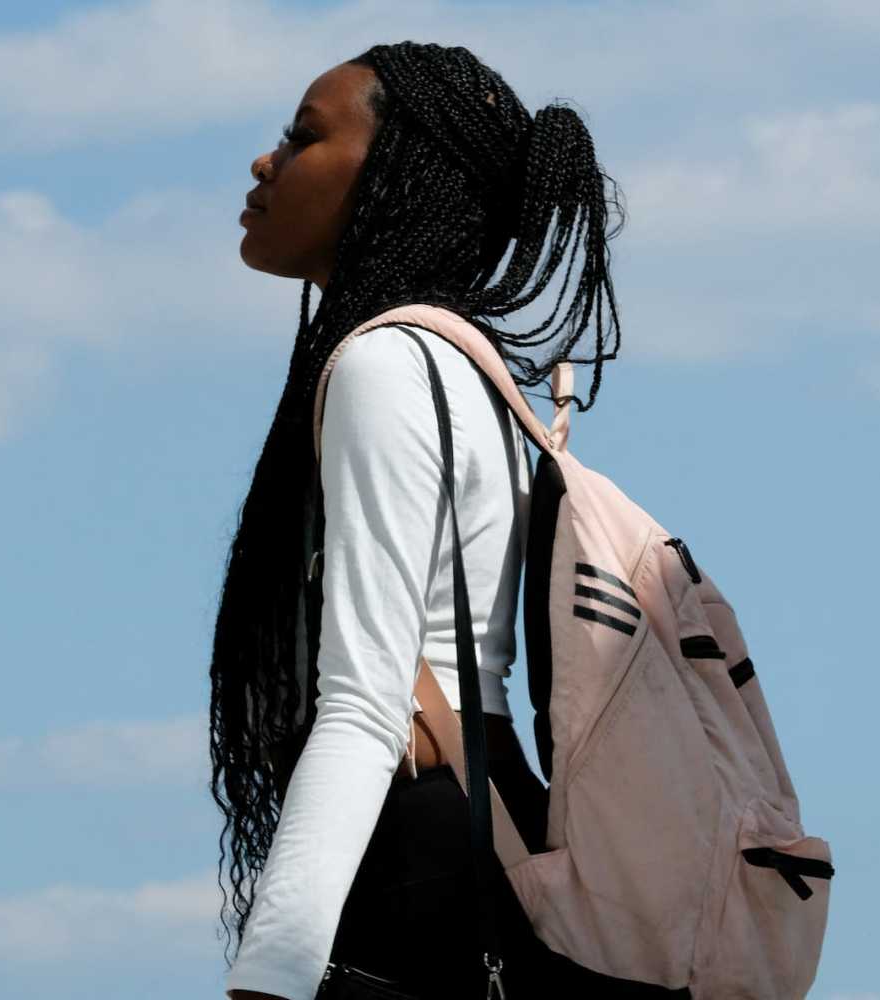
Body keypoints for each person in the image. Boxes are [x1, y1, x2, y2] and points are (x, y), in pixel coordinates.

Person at [208, 40, 625, 1000]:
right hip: (482, 819)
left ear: (397, 176)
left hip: (417, 849)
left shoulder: (385, 365)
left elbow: (368, 698)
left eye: (302, 137)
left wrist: (270, 973)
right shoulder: (462, 364)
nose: (266, 162)